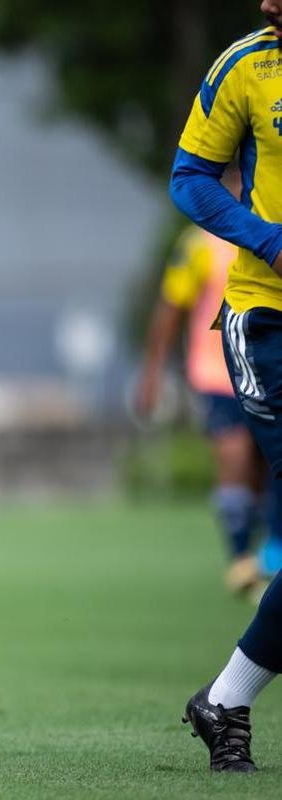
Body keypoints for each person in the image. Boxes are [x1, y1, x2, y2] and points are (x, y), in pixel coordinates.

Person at [174, 1, 282, 773]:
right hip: (267, 322)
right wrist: (267, 239)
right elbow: (189, 180)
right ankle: (227, 698)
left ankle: (224, 700)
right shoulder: (246, 64)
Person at [137, 181, 282, 599]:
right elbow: (171, 307)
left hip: (272, 366)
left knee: (269, 466)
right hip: (218, 371)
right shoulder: (200, 242)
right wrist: (152, 372)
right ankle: (241, 561)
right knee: (234, 456)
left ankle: (269, 551)